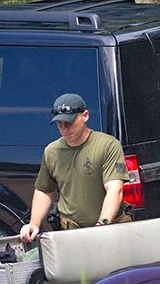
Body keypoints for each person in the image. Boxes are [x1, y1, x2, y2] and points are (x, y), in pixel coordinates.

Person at [20, 93, 129, 242]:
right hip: (72, 232)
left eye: (69, 123)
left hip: (109, 229)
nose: (64, 128)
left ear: (85, 116)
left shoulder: (108, 145)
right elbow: (45, 190)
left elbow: (115, 189)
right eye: (60, 124)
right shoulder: (52, 152)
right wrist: (34, 223)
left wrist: (102, 225)